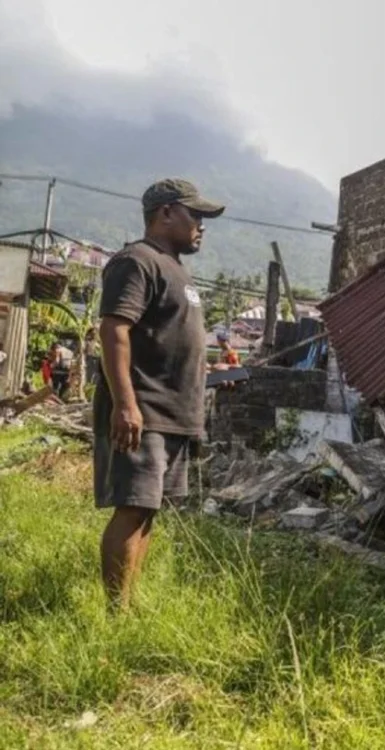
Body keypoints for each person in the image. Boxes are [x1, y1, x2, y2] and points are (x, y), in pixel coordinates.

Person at [93, 177, 225, 611]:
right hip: (144, 410)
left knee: (147, 511)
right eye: (196, 214)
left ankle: (128, 604)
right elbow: (114, 329)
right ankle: (117, 615)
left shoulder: (176, 269)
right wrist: (126, 405)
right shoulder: (137, 261)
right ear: (166, 212)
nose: (202, 225)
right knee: (132, 508)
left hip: (172, 415)